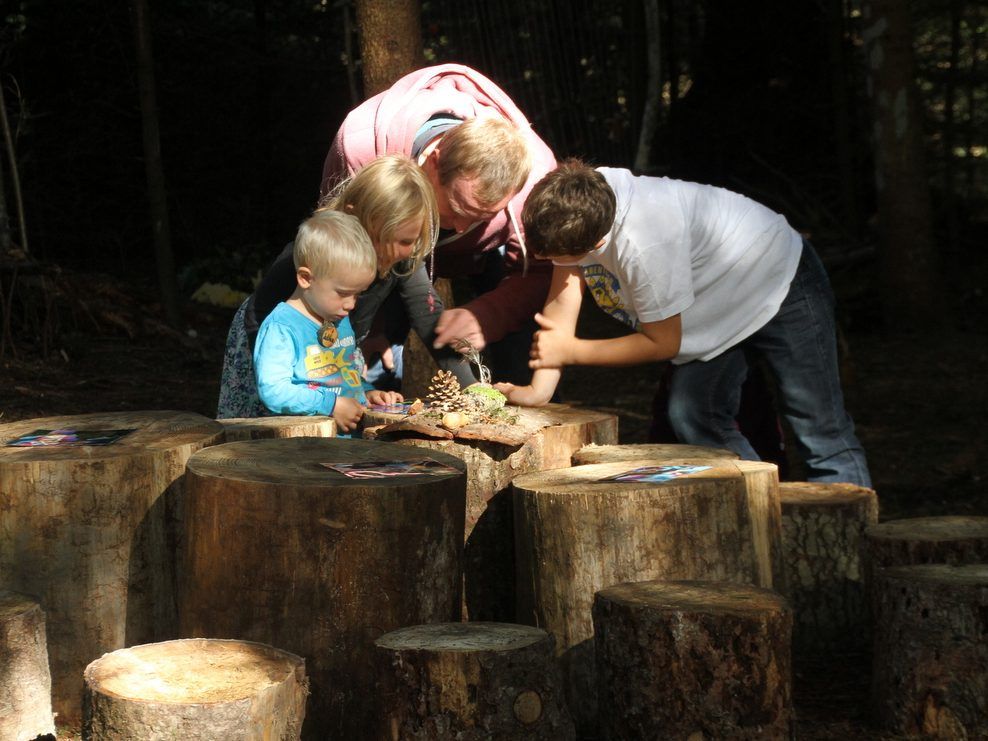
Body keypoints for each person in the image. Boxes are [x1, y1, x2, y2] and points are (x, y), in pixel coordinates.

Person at [497, 159, 871, 487]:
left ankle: (851, 548)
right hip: (718, 303)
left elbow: (663, 343)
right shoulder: (572, 205)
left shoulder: (646, 242)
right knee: (692, 415)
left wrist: (573, 351)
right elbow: (562, 303)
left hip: (780, 280)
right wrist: (539, 391)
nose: (553, 262)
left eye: (562, 257)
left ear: (596, 245)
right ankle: (762, 519)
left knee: (818, 427)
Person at [322, 63, 558, 385]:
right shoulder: (362, 145)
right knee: (370, 362)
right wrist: (368, 329)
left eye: (482, 217)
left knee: (523, 361)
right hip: (386, 250)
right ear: (434, 160)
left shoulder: (537, 184)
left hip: (492, 255)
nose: (462, 228)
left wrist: (489, 314)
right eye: (460, 209)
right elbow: (338, 251)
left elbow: (544, 273)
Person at [217, 154, 474, 419]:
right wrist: (300, 390)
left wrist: (472, 388)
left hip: (335, 353)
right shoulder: (313, 257)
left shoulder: (402, 258)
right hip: (274, 350)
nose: (395, 251)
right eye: (383, 238)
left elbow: (428, 316)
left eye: (407, 241)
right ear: (355, 217)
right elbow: (260, 323)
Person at [252, 209, 401, 433]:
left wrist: (367, 393)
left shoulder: (337, 317)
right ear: (305, 278)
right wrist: (329, 405)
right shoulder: (282, 327)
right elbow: (273, 390)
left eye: (358, 293)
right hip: (307, 449)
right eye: (342, 293)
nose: (351, 304)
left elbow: (344, 373)